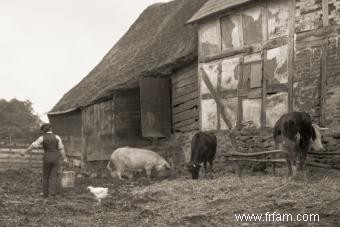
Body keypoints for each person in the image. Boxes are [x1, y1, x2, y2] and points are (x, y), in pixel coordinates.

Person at [22, 123, 68, 197]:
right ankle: (52, 193)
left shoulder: (42, 138)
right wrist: (64, 158)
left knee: (45, 176)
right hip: (56, 158)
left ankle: (45, 193)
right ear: (51, 129)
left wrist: (25, 151)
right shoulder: (57, 137)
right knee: (54, 176)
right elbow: (61, 148)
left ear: (43, 130)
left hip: (47, 158)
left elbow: (33, 145)